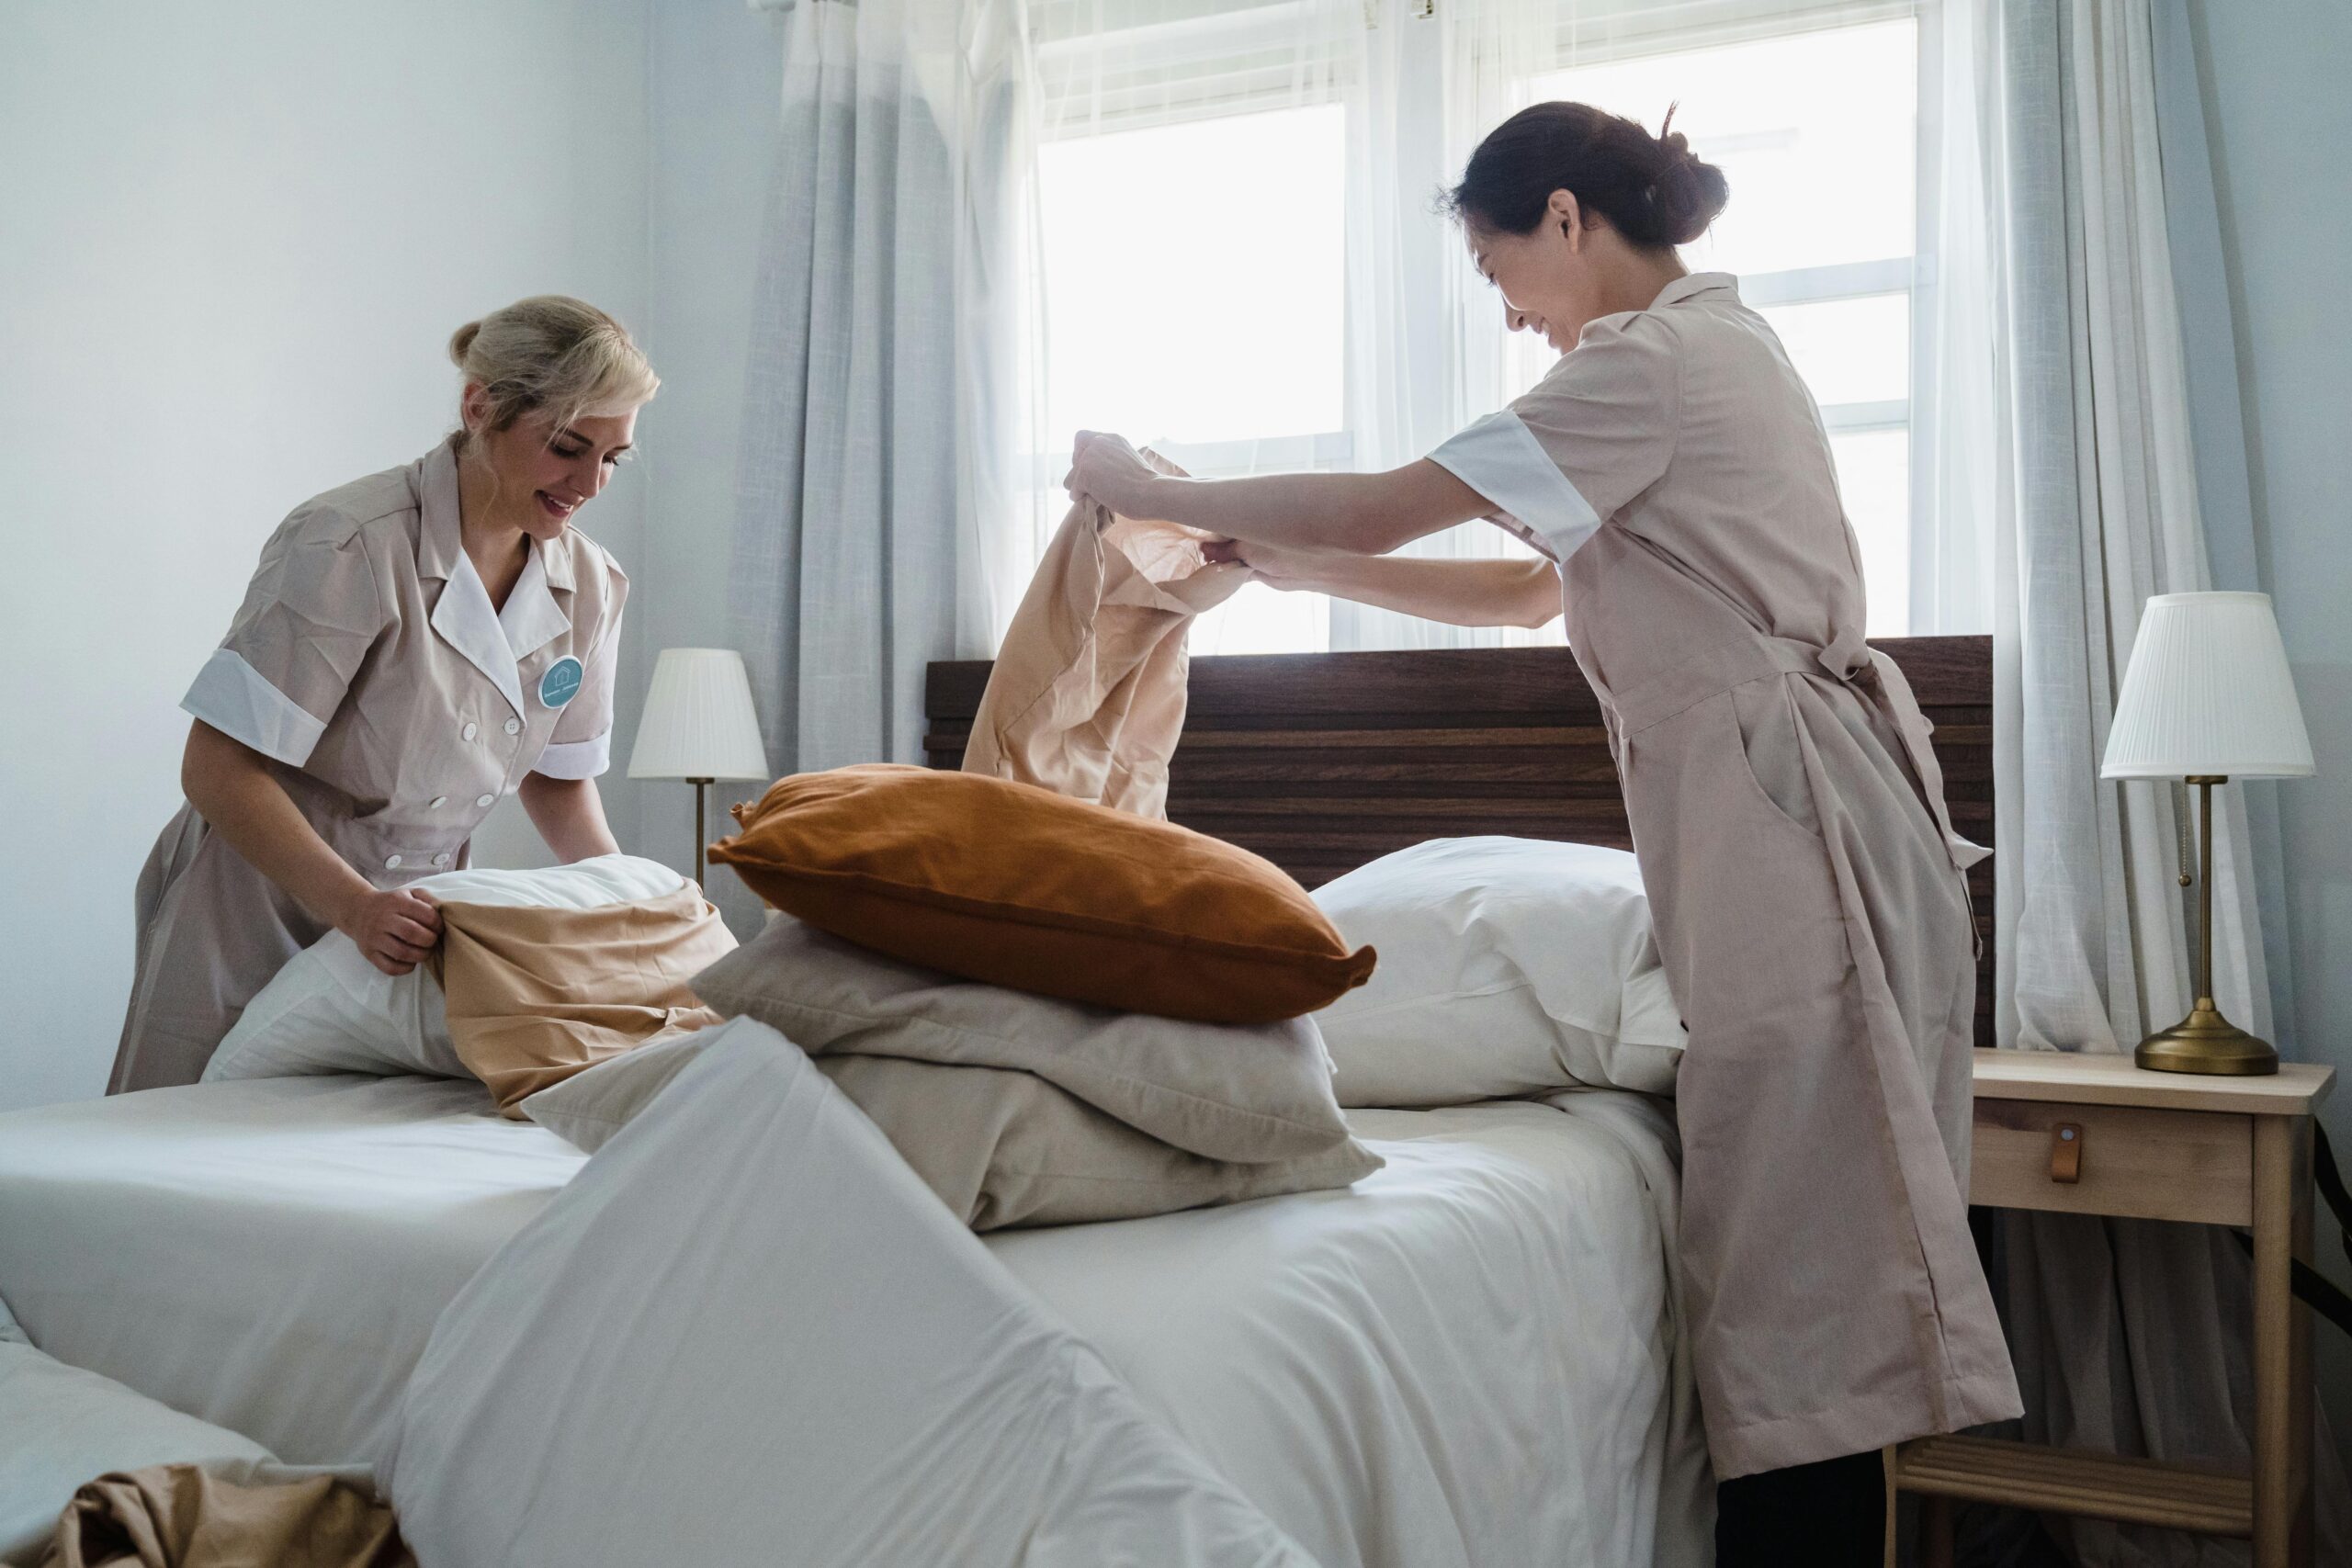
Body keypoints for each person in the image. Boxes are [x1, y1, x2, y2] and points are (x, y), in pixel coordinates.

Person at [1064, 103, 2020, 1563]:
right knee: (1801, 1273)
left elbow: (1392, 503)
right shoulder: (1692, 361)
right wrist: (1272, 558)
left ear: (1566, 217)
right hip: (1771, 806)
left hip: (1783, 814)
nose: (1507, 309)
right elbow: (1522, 601)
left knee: (1800, 1281)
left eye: (1499, 262)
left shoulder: (1652, 364)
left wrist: (1147, 488)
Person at [111, 296, 656, 1095]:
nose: (591, 483)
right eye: (569, 447)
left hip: (408, 924)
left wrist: (632, 912)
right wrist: (356, 907)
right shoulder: (350, 542)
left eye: (615, 458)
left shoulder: (592, 585)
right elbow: (218, 767)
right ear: (481, 408)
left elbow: (560, 781)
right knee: (176, 1155)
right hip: (258, 907)